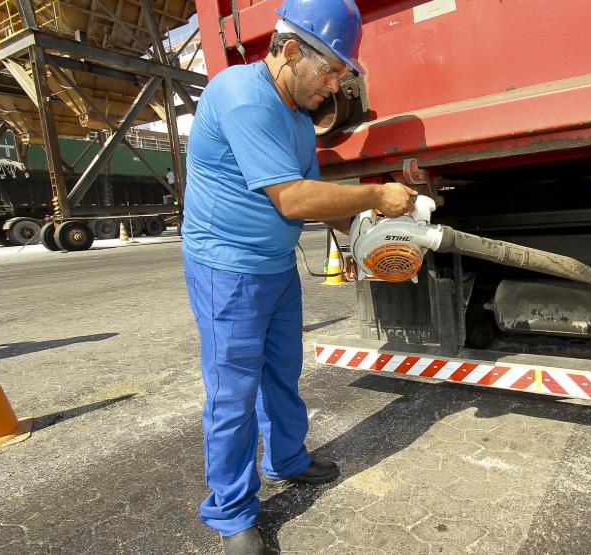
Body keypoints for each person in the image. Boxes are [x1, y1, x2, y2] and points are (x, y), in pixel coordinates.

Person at [180, 0, 416, 553]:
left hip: (274, 268)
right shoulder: (240, 95)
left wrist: (370, 233)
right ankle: (232, 511)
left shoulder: (295, 118)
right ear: (289, 52)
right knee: (232, 393)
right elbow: (291, 199)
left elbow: (320, 203)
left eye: (341, 74)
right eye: (330, 70)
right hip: (226, 268)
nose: (334, 88)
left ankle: (286, 457)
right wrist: (377, 193)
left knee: (281, 371)